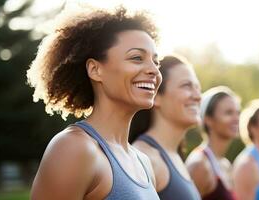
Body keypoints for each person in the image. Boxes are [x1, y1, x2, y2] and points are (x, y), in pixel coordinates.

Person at [27, 5, 162, 200]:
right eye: (136, 58)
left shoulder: (144, 163)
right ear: (95, 69)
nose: (154, 71)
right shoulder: (74, 148)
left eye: (156, 62)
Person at [129, 55, 202, 200]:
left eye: (197, 87)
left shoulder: (174, 156)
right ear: (155, 96)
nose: (197, 96)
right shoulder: (146, 158)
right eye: (186, 86)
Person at [186, 86, 240, 200]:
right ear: (208, 120)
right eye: (228, 113)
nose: (236, 118)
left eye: (237, 112)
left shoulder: (226, 164)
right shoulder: (199, 164)